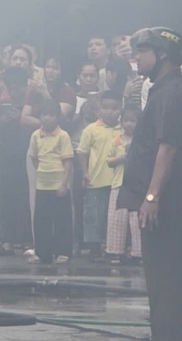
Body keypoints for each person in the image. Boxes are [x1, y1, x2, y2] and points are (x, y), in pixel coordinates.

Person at [120, 27, 182, 341]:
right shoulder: (161, 89)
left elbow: (167, 148)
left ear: (162, 55)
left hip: (166, 200)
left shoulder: (172, 92)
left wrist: (152, 197)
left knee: (165, 271)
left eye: (143, 51)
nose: (136, 58)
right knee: (160, 271)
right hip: (162, 198)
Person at [0, 66, 35, 252]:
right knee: (7, 199)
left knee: (27, 199)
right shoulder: (3, 108)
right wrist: (1, 123)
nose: (15, 92)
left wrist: (21, 118)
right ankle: (7, 240)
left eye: (18, 87)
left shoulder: (32, 108)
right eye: (11, 88)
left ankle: (28, 239)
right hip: (7, 159)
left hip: (30, 158)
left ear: (26, 86)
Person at [78, 91, 125, 258]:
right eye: (105, 107)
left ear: (121, 109)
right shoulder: (91, 129)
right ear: (99, 109)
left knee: (115, 218)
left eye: (114, 108)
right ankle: (94, 249)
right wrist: (84, 172)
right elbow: (82, 152)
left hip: (119, 181)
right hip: (96, 180)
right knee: (94, 216)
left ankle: (114, 247)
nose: (109, 111)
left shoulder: (125, 129)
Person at [27, 102, 75, 265]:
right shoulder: (35, 135)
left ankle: (63, 251)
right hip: (42, 185)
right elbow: (33, 157)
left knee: (62, 220)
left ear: (57, 117)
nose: (47, 118)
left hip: (59, 184)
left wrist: (64, 183)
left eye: (51, 115)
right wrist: (42, 171)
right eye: (44, 115)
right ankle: (42, 253)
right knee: (41, 220)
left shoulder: (63, 136)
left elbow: (68, 162)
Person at [104, 106, 142, 264]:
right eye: (126, 120)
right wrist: (122, 158)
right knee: (117, 218)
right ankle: (115, 251)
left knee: (136, 220)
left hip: (137, 184)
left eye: (132, 121)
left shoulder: (142, 140)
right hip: (118, 183)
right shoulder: (117, 140)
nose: (129, 124)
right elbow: (109, 161)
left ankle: (139, 253)